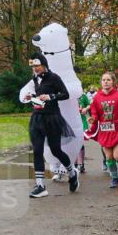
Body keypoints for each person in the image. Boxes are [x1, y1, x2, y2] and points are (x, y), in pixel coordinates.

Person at [23, 52, 78, 198]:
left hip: (52, 118)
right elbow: (40, 96)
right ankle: (40, 185)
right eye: (33, 66)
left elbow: (65, 94)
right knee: (37, 150)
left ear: (44, 64)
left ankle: (72, 173)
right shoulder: (35, 79)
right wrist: (32, 97)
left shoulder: (54, 77)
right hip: (37, 118)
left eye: (37, 66)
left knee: (56, 150)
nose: (35, 69)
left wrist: (51, 96)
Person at [87, 71, 118, 188]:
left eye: (108, 80)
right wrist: (92, 119)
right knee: (109, 157)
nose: (106, 82)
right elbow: (95, 113)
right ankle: (115, 179)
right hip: (105, 131)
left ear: (113, 82)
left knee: (117, 156)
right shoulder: (97, 97)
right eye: (103, 80)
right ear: (101, 82)